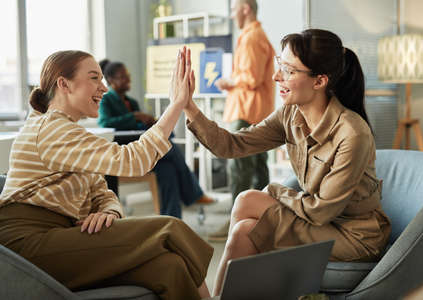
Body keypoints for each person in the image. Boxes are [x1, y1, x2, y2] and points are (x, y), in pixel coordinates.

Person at [184, 29, 392, 296]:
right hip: (317, 222)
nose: (276, 77)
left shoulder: (352, 133)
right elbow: (232, 145)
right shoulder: (290, 114)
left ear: (319, 81)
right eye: (280, 65)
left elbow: (320, 211)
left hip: (353, 236)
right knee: (244, 230)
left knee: (248, 202)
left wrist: (274, 191)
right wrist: (189, 106)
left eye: (290, 71)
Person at [0, 47, 213, 300]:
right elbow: (134, 160)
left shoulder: (69, 133)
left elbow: (102, 192)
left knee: (169, 268)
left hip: (61, 237)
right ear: (63, 84)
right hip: (25, 247)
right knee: (169, 228)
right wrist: (177, 104)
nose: (104, 87)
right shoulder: (49, 129)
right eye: (94, 78)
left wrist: (109, 211)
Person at [97, 59, 215, 218]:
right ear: (111, 80)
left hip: (143, 147)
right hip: (127, 150)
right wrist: (135, 116)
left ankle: (171, 220)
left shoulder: (132, 101)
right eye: (122, 77)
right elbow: (104, 123)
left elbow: (138, 127)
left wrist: (150, 121)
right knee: (170, 147)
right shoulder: (106, 100)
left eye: (128, 75)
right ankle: (194, 193)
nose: (128, 80)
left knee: (168, 170)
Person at [210, 0, 275, 241]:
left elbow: (251, 77)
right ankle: (260, 221)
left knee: (239, 168)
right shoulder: (256, 35)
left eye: (233, 7)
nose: (231, 13)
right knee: (257, 168)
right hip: (257, 111)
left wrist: (228, 81)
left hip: (247, 111)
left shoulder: (251, 38)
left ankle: (236, 222)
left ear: (245, 8)